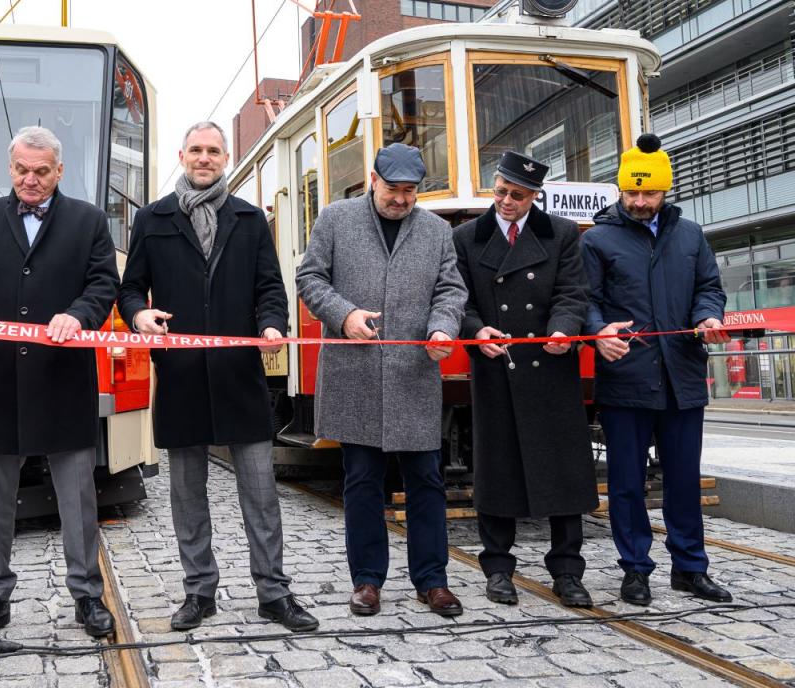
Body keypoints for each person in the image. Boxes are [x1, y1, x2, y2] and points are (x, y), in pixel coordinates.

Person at [118, 121, 318, 633]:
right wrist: (139, 315)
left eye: (213, 151)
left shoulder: (249, 219)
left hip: (239, 376)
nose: (204, 158)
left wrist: (274, 322)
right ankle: (198, 592)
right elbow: (130, 289)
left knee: (260, 491)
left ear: (225, 157)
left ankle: (274, 593)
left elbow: (271, 287)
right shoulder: (153, 219)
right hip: (181, 376)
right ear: (182, 155)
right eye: (196, 150)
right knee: (187, 495)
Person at [0, 125, 120, 642]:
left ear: (59, 170)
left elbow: (104, 284)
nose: (30, 180)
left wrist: (79, 315)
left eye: (41, 172)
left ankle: (87, 596)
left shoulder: (89, 221)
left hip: (63, 379)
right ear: (8, 167)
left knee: (78, 499)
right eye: (21, 170)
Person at [296, 143, 467, 618]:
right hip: (357, 375)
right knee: (362, 479)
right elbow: (310, 277)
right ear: (373, 180)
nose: (401, 200)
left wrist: (442, 327)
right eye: (393, 190)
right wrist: (344, 314)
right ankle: (367, 581)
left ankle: (432, 581)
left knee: (427, 481)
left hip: (413, 374)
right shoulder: (335, 218)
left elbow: (451, 290)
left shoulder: (436, 230)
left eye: (411, 192)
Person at [581, 133, 732, 606]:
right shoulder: (599, 239)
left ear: (666, 191)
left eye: (649, 193)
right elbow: (585, 301)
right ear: (620, 190)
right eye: (632, 193)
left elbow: (709, 286)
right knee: (627, 483)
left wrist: (708, 316)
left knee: (684, 478)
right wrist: (599, 331)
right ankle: (636, 570)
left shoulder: (690, 236)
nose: (640, 201)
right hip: (626, 378)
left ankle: (690, 568)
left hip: (683, 377)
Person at [452, 151, 597, 608]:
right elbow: (458, 298)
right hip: (497, 368)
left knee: (563, 472)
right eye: (500, 192)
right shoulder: (466, 237)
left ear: (535, 196)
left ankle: (568, 571)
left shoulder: (560, 234)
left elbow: (572, 292)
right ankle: (497, 568)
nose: (506, 202)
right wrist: (476, 332)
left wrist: (564, 329)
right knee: (498, 472)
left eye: (517, 195)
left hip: (551, 369)